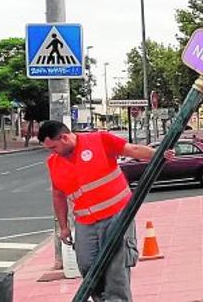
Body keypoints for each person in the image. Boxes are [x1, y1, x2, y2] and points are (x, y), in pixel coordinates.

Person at [38, 120, 164, 302]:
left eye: (53, 147)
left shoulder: (99, 140)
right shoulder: (54, 163)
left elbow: (133, 150)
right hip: (85, 223)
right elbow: (58, 195)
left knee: (115, 269)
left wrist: (160, 155)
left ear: (64, 138)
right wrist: (64, 227)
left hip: (117, 216)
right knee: (88, 268)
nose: (52, 152)